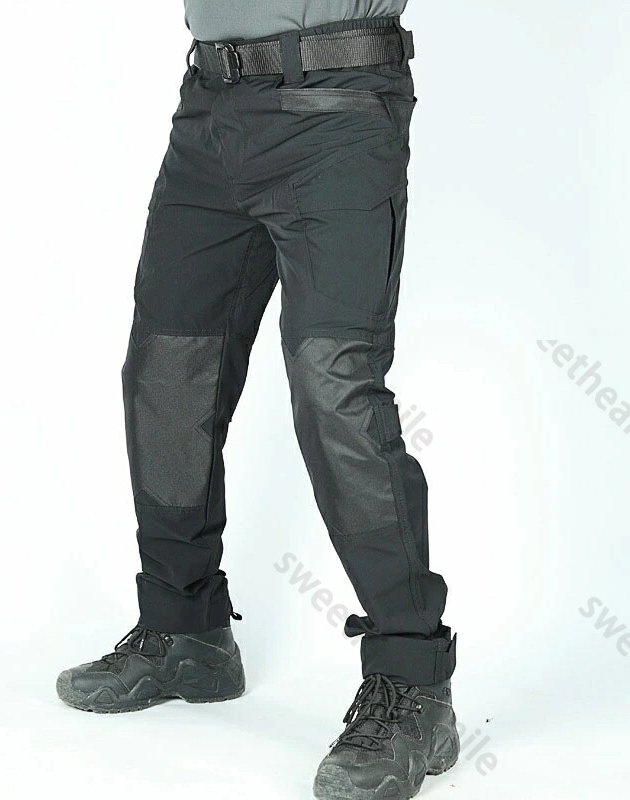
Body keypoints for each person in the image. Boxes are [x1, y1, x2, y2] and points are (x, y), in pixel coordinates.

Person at [57, 3, 458, 798]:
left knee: (333, 385)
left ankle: (415, 685)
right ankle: (185, 630)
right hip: (211, 108)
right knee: (167, 371)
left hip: (337, 102)